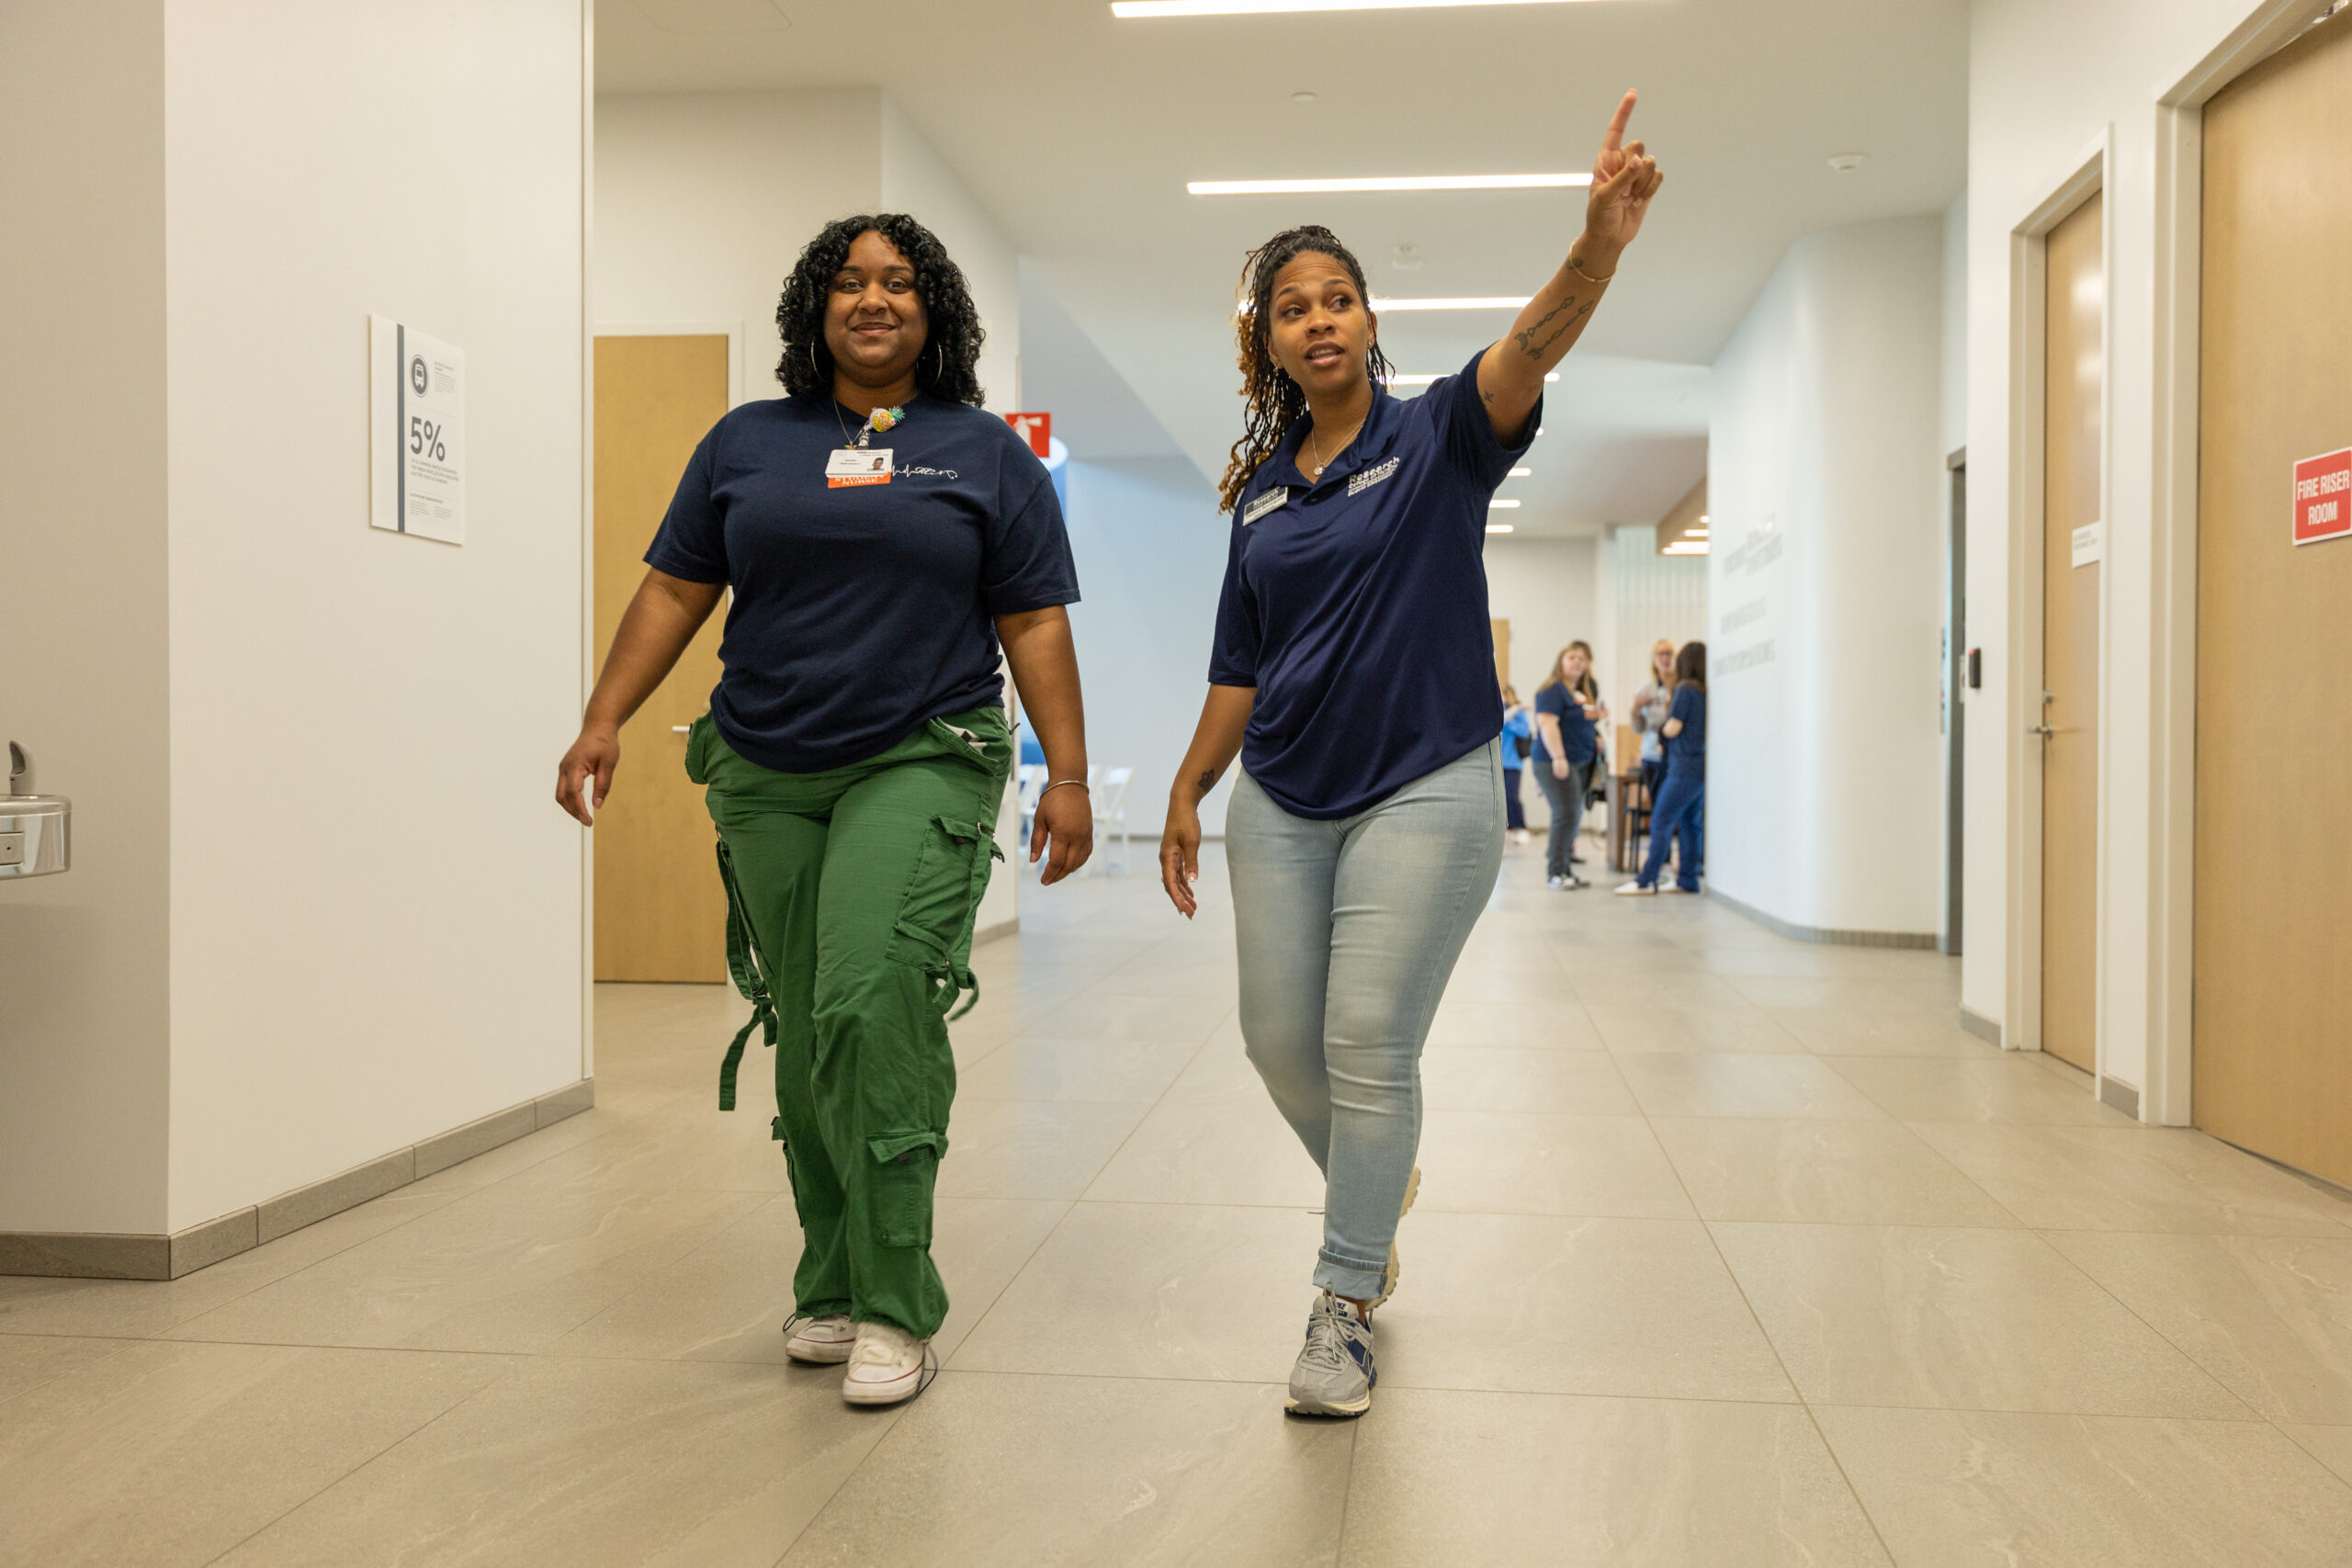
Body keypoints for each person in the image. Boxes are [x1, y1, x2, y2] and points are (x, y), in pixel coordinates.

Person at [1159, 93, 1663, 1419]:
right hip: (1280, 786)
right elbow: (1236, 666)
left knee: (1369, 1041)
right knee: (1281, 1041)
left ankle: (1342, 1298)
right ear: (1267, 342)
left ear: (1372, 322)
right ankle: (1379, 1185)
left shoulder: (1439, 433)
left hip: (1426, 782)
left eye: (1339, 299)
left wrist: (1597, 245)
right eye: (1291, 307)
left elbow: (1531, 345)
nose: (1317, 319)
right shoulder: (1261, 493)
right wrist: (1184, 784)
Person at [554, 214, 1093, 1407]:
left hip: (924, 750)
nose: (873, 299)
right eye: (849, 281)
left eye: (899, 282)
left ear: (934, 311)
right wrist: (605, 715)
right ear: (817, 307)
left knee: (873, 1000)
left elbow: (1035, 620)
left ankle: (899, 1299)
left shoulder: (985, 451)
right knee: (806, 1027)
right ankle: (834, 1276)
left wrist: (1066, 772)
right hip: (766, 765)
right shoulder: (748, 441)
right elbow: (674, 587)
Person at [1619, 638, 1705, 895]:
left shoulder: (1684, 690)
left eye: (1671, 654)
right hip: (1696, 766)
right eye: (1661, 654)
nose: (1667, 659)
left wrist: (1664, 734)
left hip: (1681, 767)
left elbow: (1673, 727)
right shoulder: (1703, 690)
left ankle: (1647, 880)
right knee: (1691, 823)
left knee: (1660, 820)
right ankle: (1688, 880)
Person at [1529, 642, 1604, 889]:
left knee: (1571, 814)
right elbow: (1547, 725)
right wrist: (1558, 758)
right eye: (1572, 657)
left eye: (1582, 659)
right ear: (1561, 661)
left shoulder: (1582, 693)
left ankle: (1565, 870)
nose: (1577, 662)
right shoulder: (1553, 690)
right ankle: (1555, 873)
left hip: (1581, 760)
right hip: (1555, 760)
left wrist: (1596, 735)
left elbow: (1583, 723)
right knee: (1565, 813)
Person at [1499, 683, 1532, 843]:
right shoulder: (1498, 710)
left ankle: (1520, 828)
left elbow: (1525, 731)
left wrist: (1510, 721)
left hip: (1513, 762)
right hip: (1498, 763)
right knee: (1501, 798)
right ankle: (1507, 829)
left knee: (1512, 796)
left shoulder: (1518, 713)